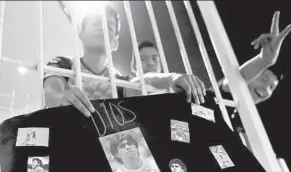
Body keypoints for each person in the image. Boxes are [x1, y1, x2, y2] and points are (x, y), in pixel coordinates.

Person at [44, 4, 208, 118]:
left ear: (115, 43)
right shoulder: (62, 63)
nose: (102, 26)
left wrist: (172, 78)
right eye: (95, 22)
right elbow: (51, 94)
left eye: (108, 25)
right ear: (80, 33)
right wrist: (62, 98)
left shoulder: (119, 80)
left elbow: (143, 81)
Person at [129, 11, 291, 106]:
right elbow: (237, 80)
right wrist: (263, 61)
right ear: (133, 65)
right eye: (143, 59)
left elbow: (236, 82)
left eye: (155, 58)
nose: (150, 62)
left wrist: (266, 61)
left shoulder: (243, 120)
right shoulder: (119, 83)